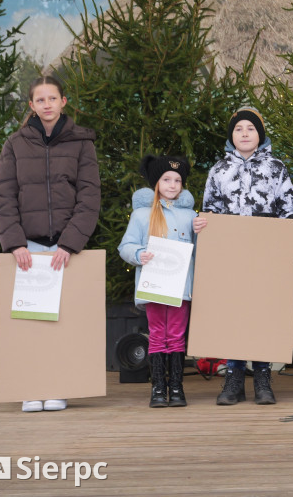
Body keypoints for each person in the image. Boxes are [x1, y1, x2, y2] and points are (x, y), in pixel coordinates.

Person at [0, 75, 101, 413]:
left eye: (53, 98)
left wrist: (70, 244)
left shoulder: (82, 143)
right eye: (40, 100)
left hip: (67, 251)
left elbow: (89, 196)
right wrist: (15, 244)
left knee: (63, 324)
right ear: (32, 106)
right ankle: (30, 387)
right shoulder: (14, 144)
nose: (47, 105)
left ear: (63, 101)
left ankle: (58, 387)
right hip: (29, 248)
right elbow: (3, 196)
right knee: (30, 324)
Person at [203, 105, 293, 405]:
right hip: (231, 257)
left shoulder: (276, 168)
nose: (244, 133)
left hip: (266, 257)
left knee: (261, 311)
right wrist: (203, 228)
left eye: (250, 129)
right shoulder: (219, 171)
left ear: (259, 135)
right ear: (231, 135)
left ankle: (262, 376)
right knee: (234, 312)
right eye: (238, 129)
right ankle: (233, 377)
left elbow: (290, 211)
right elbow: (210, 211)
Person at [118, 156, 206, 408]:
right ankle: (158, 387)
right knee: (158, 334)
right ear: (156, 182)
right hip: (154, 285)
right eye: (166, 179)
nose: (172, 184)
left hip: (181, 288)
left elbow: (200, 252)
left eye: (178, 180)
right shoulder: (142, 215)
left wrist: (201, 232)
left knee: (176, 335)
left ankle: (176, 388)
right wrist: (138, 254)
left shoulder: (191, 216)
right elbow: (126, 245)